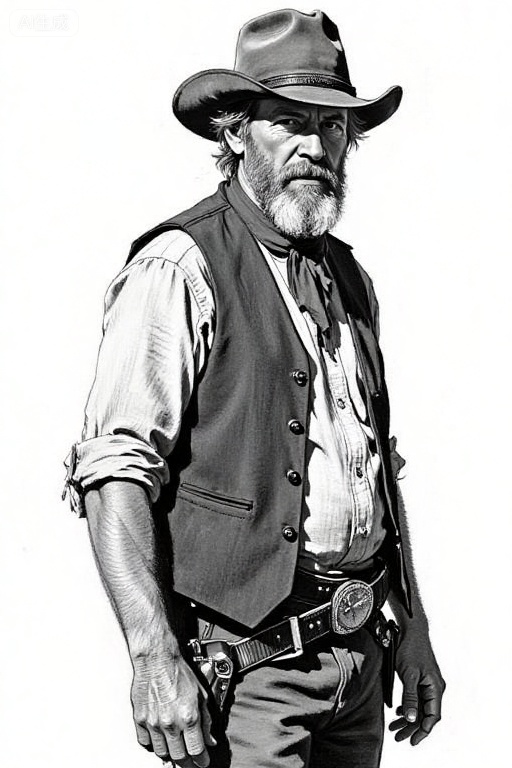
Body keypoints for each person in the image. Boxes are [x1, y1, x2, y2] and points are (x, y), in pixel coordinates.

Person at [64, 8, 445, 768]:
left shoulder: (349, 277)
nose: (314, 146)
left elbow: (374, 467)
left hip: (361, 662)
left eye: (332, 127)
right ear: (235, 133)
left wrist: (417, 632)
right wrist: (151, 659)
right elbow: (115, 473)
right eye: (287, 122)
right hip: (247, 680)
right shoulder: (178, 267)